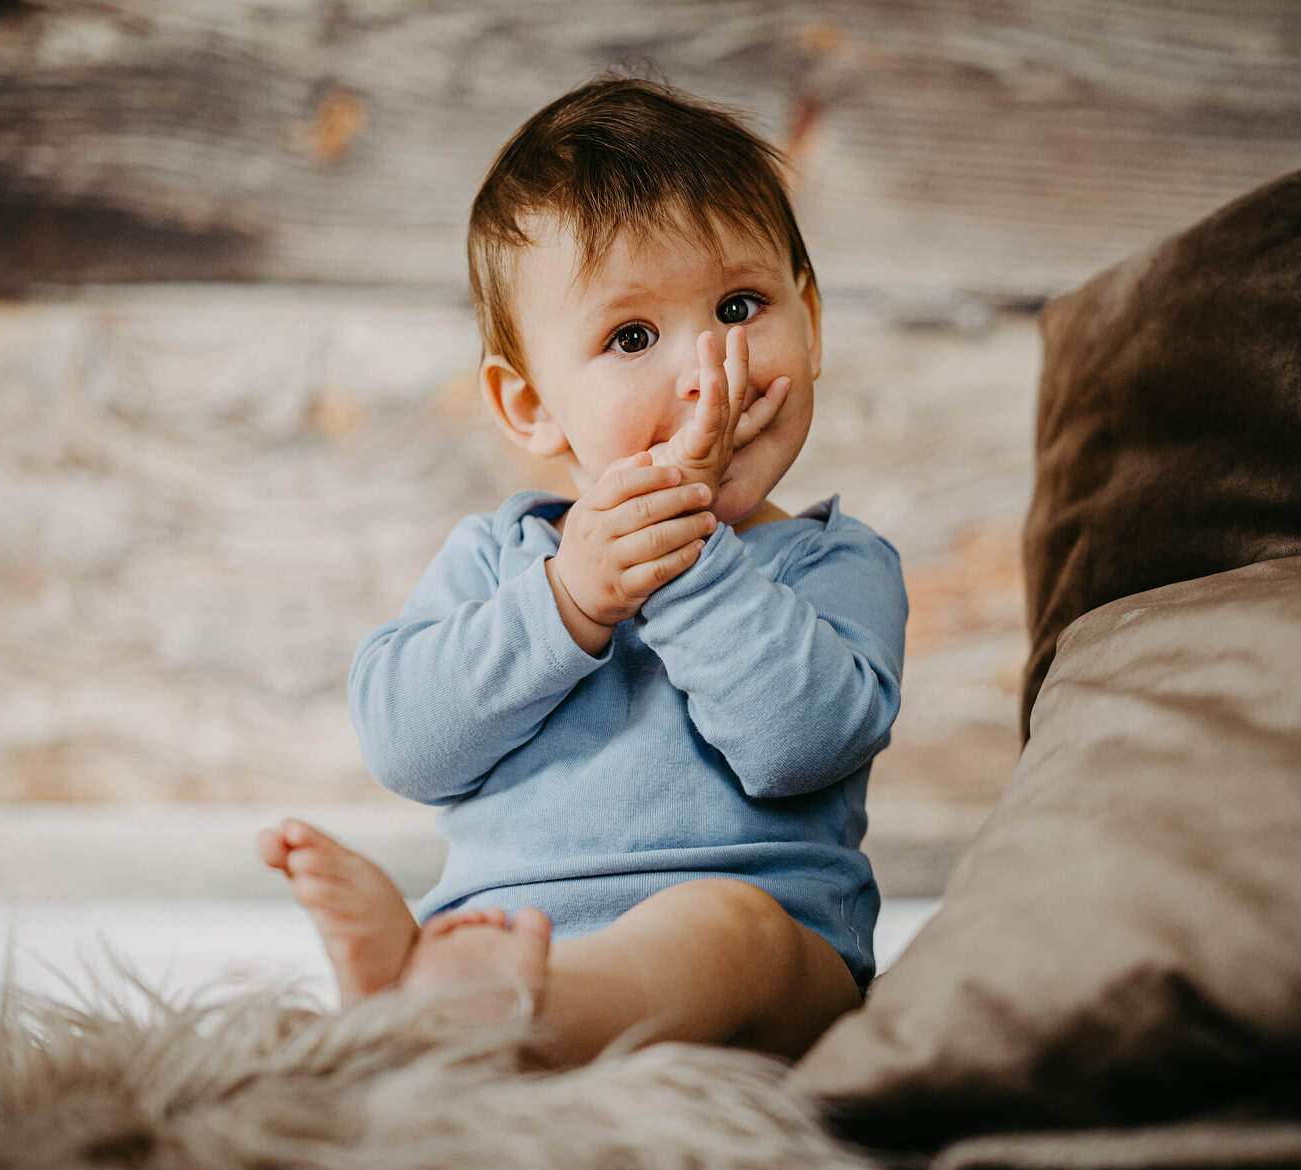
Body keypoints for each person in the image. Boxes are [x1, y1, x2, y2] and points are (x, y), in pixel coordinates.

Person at [256, 76, 906, 1065]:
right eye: (630, 336)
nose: (705, 373)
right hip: (508, 931)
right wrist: (569, 600)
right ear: (530, 407)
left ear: (808, 322)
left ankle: (495, 1020)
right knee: (470, 931)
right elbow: (406, 743)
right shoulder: (504, 559)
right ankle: (447, 995)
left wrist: (684, 558)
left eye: (739, 305)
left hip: (771, 969)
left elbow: (797, 744)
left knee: (726, 927)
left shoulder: (835, 561)